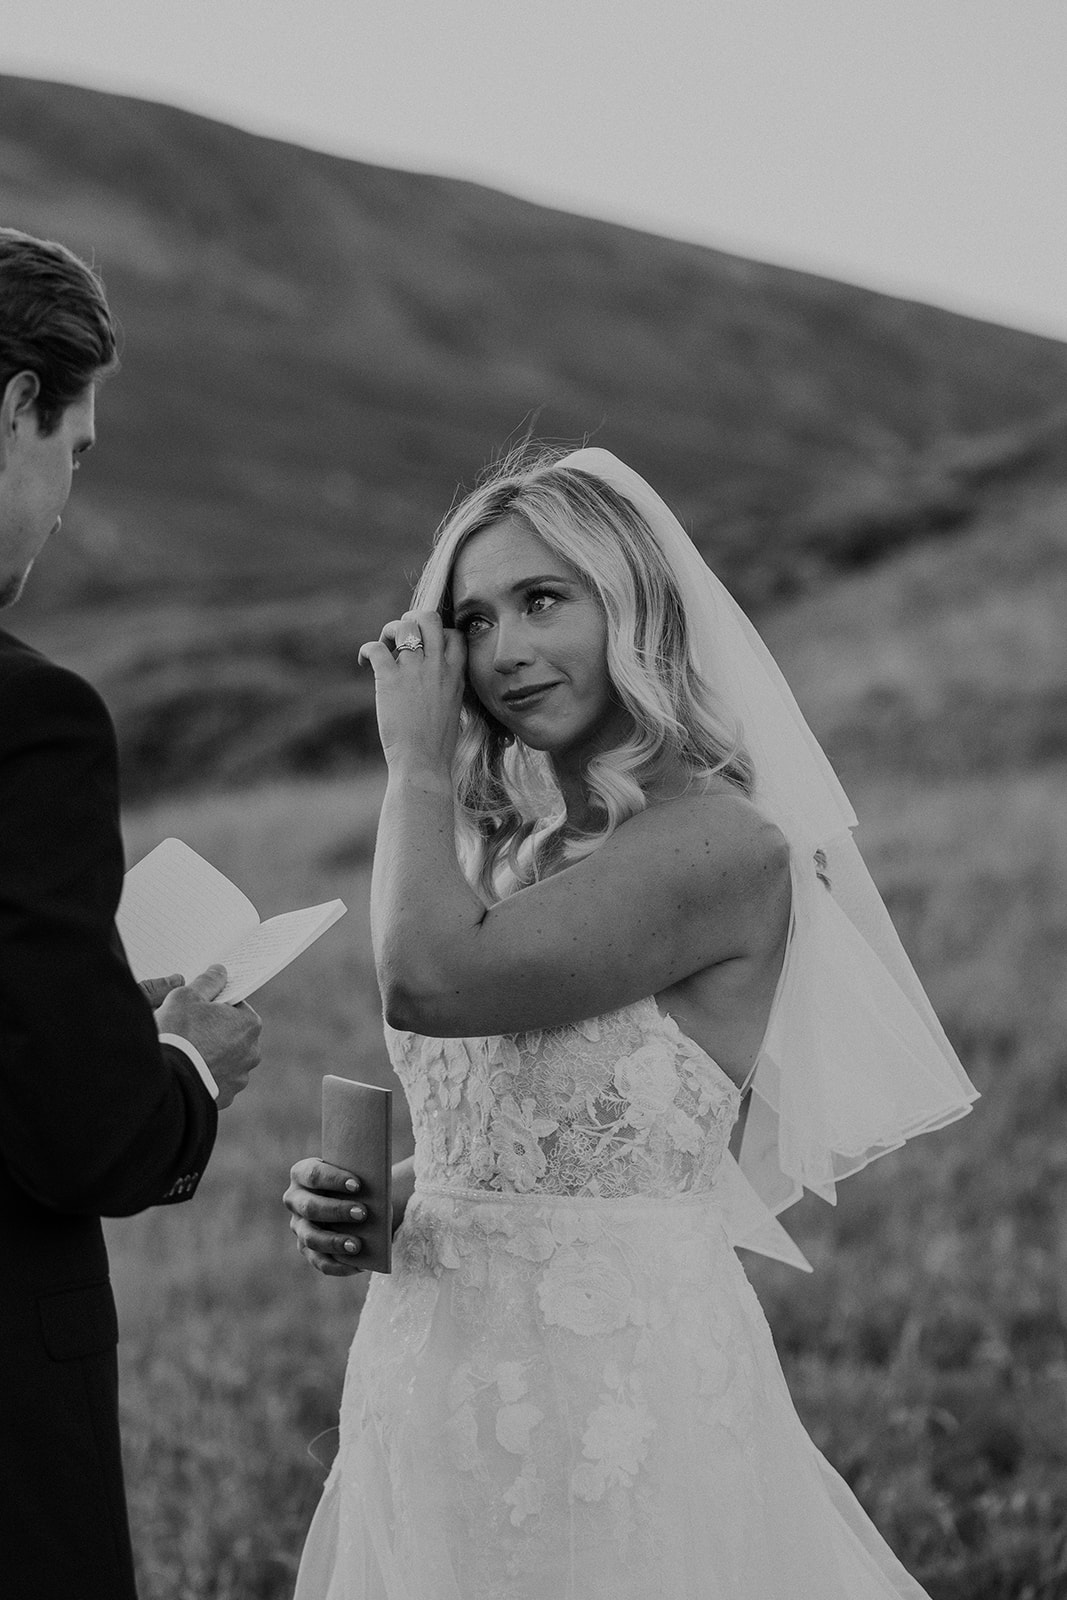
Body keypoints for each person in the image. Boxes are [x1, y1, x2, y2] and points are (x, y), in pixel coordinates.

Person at [285, 446, 977, 1599]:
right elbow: (562, 1113)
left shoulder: (719, 846)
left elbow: (429, 982)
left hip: (610, 1397)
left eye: (542, 599)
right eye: (472, 619)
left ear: (634, 603)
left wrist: (412, 761)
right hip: (433, 1370)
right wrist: (417, 1184)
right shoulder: (509, 848)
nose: (502, 651)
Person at [0, 228, 263, 1600]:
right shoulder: (27, 717)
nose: (60, 507)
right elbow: (85, 1138)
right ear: (12, 411)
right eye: (75, 454)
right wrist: (186, 1067)